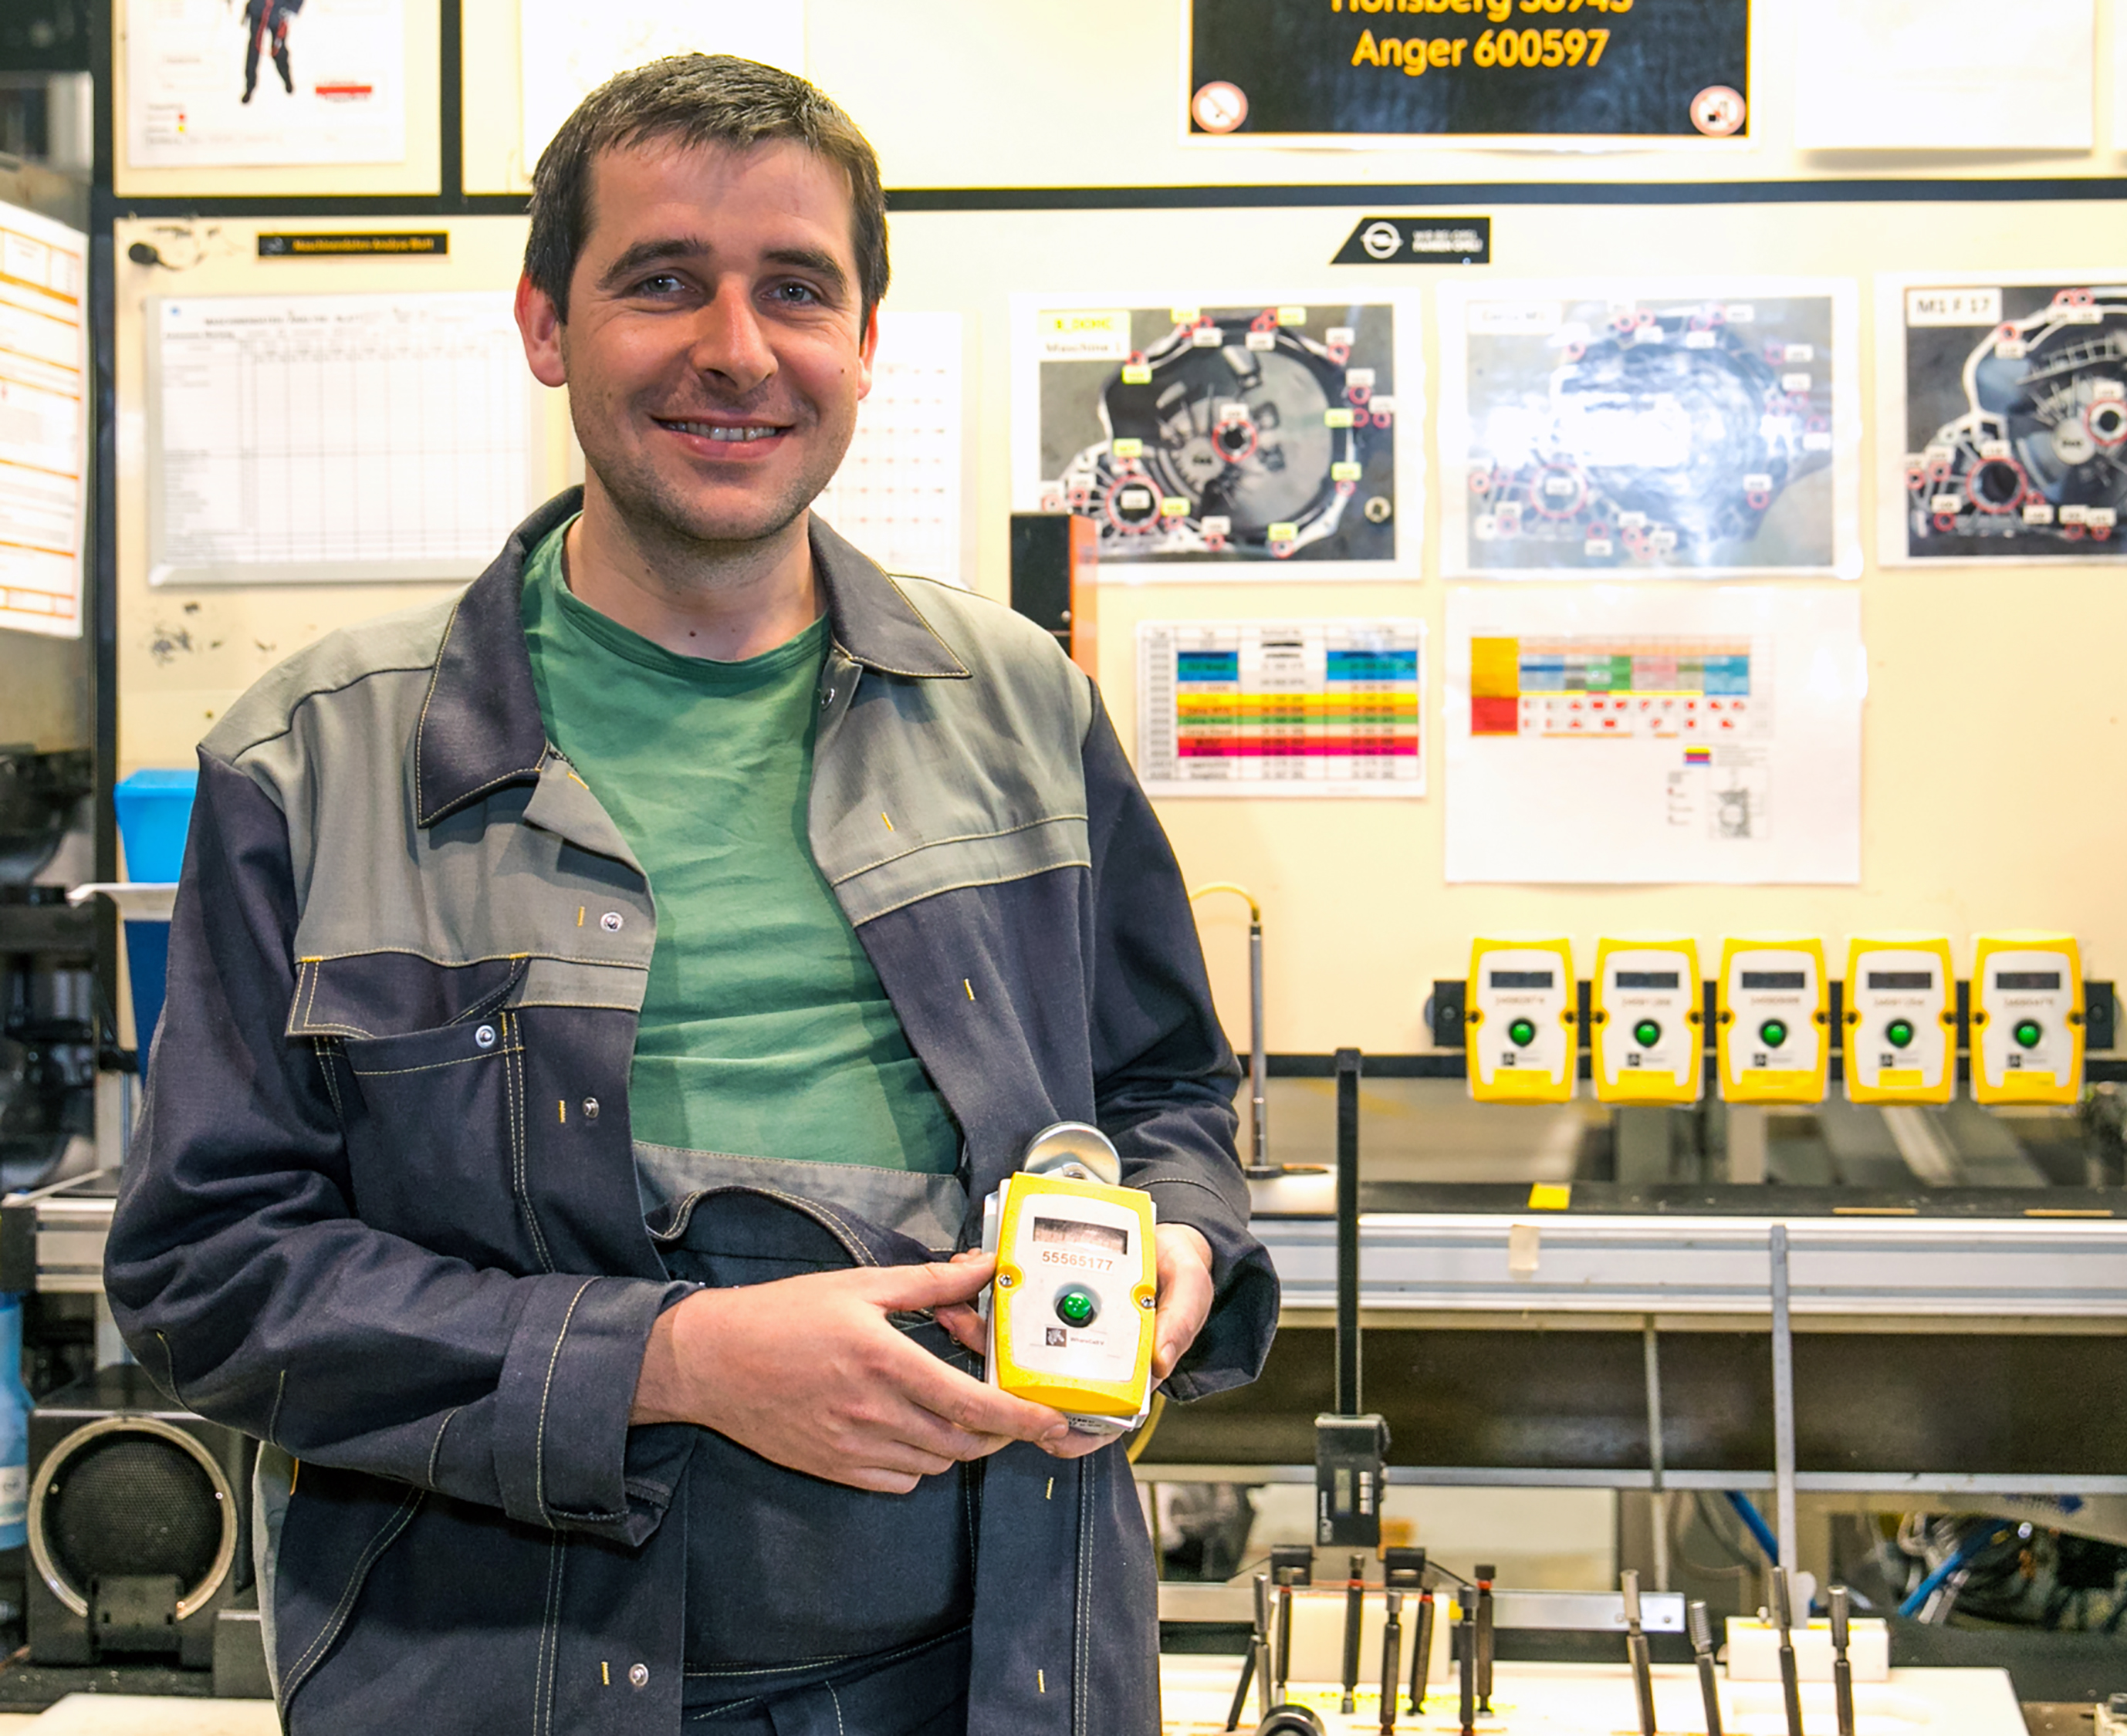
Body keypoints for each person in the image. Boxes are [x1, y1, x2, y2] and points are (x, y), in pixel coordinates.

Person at [105, 55, 1276, 1734]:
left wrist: (1176, 1240)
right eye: (662, 282)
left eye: (795, 289)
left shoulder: (1022, 708)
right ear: (545, 325)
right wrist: (670, 1365)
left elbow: (1165, 1096)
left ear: (862, 339)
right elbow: (209, 1274)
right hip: (501, 1687)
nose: (737, 348)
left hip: (998, 1680)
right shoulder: (315, 759)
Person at [242, 0, 299, 102]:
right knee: (253, 52)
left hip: (279, 14)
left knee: (279, 52)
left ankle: (286, 78)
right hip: (258, 11)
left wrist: (289, 13)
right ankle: (249, 87)